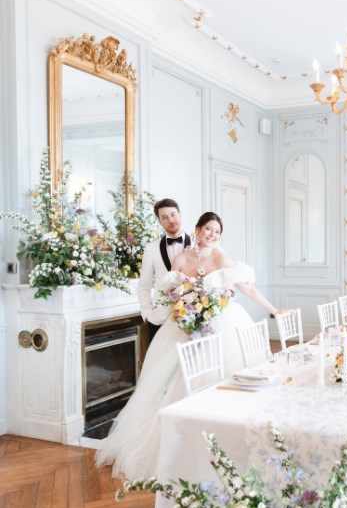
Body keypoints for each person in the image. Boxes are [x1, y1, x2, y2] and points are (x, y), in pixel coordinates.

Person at [96, 210, 278, 482]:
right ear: (198, 229)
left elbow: (248, 290)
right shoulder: (180, 259)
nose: (213, 235)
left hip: (221, 325)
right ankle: (185, 447)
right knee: (177, 384)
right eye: (209, 229)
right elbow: (168, 292)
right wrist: (180, 307)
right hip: (185, 325)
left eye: (217, 232)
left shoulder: (221, 258)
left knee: (225, 382)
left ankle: (227, 446)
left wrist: (275, 310)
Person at [138, 197, 191, 347]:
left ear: (180, 214)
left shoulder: (196, 244)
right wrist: (147, 314)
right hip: (159, 317)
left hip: (191, 316)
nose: (170, 220)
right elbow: (144, 285)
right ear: (160, 222)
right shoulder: (151, 248)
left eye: (173, 214)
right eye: (164, 217)